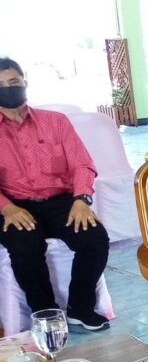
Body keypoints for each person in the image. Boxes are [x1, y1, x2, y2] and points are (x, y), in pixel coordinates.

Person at [0, 57, 110, 331]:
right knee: (25, 245)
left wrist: (81, 199)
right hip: (13, 204)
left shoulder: (56, 122)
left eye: (13, 82)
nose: (8, 88)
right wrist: (7, 208)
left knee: (95, 238)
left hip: (61, 202)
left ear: (25, 82)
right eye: (0, 85)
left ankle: (80, 309)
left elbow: (82, 164)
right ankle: (46, 313)